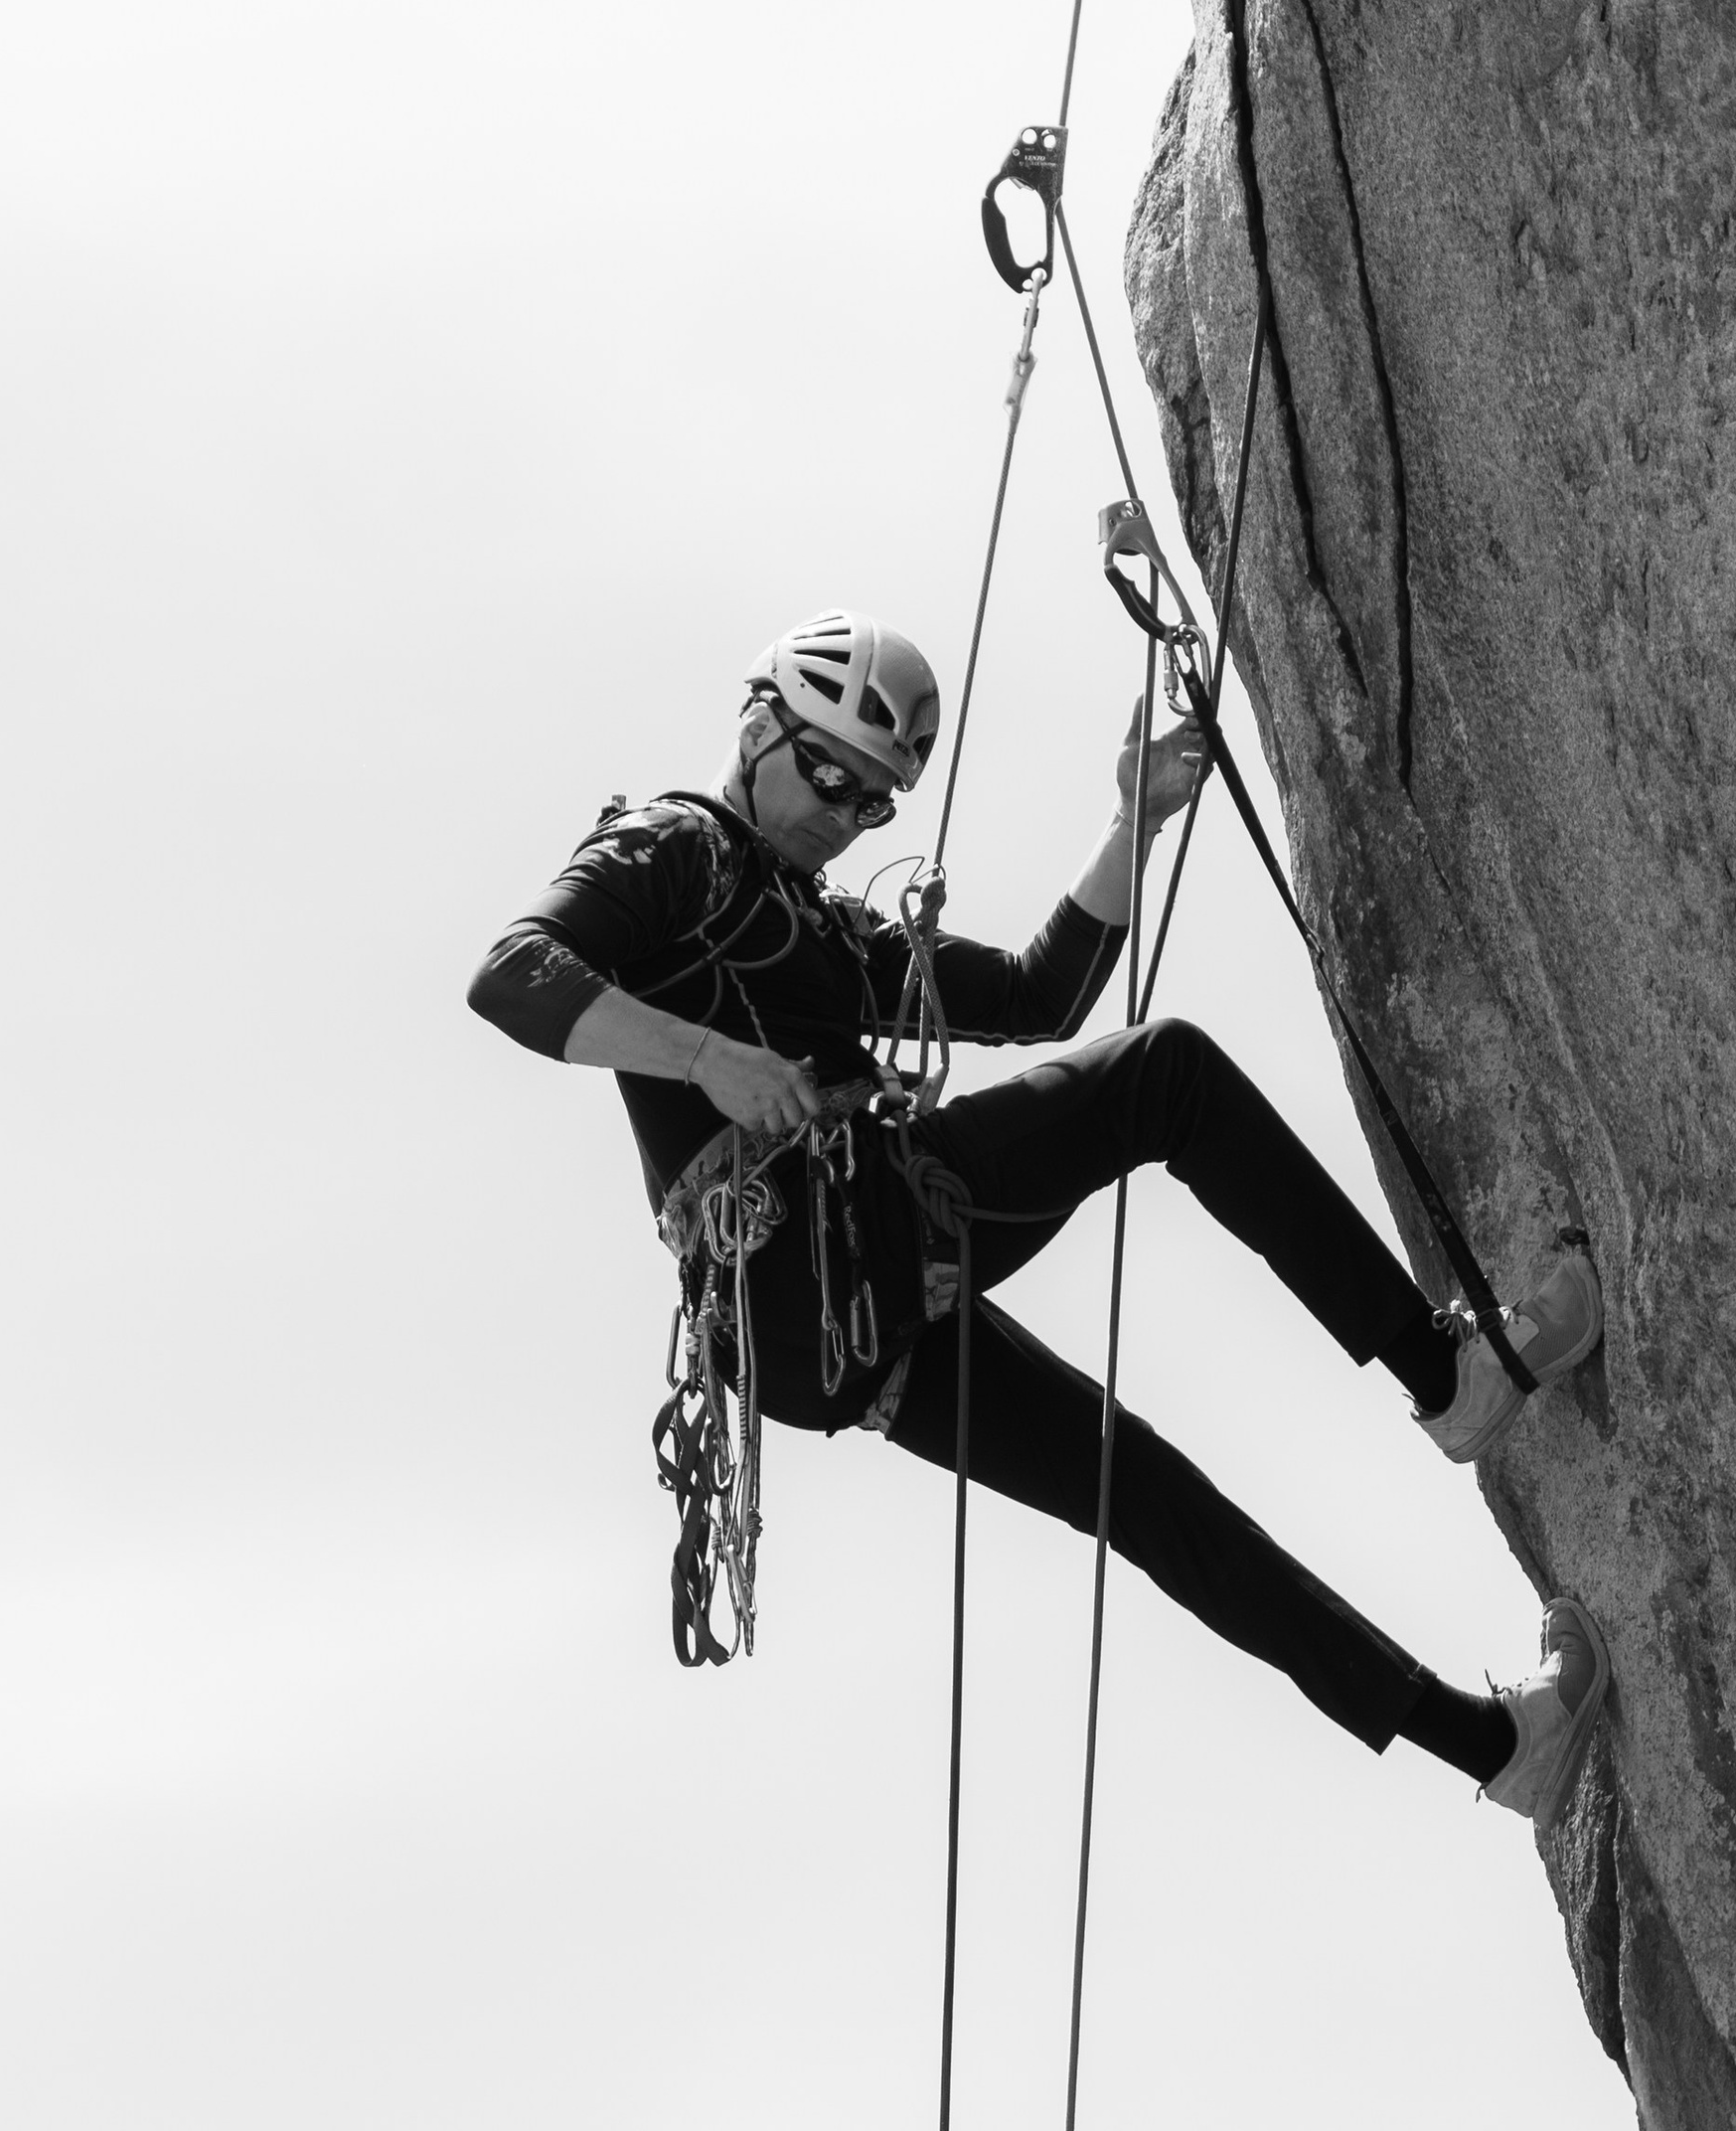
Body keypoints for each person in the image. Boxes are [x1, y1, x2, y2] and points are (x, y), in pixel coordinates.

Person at [466, 607, 1610, 1819]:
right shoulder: (672, 851)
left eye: (873, 805)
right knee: (1165, 1076)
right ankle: (1445, 1373)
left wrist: (1133, 822)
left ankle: (1498, 1750)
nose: (845, 817)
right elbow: (510, 971)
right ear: (758, 730)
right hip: (818, 1255)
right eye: (829, 777)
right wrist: (708, 1061)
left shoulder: (816, 927)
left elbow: (1032, 996)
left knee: (1145, 1493)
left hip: (828, 1313)